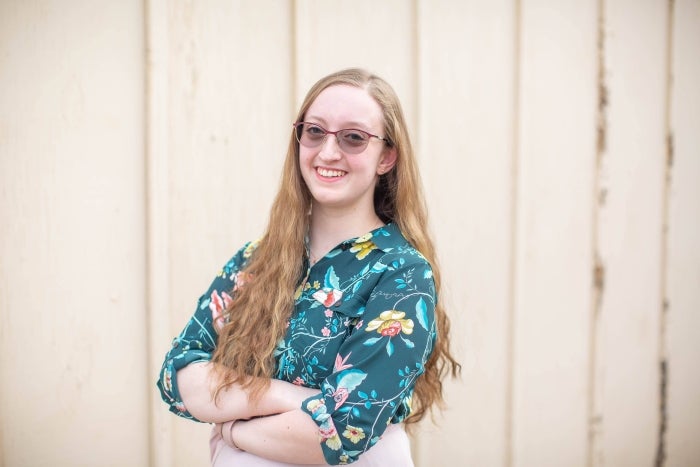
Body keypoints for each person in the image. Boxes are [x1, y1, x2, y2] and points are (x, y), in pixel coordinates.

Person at [157, 68, 460, 466]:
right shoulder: (256, 259)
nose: (328, 152)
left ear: (386, 157)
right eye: (314, 131)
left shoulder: (401, 274)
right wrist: (282, 396)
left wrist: (232, 429)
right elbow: (179, 374)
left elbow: (341, 431)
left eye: (354, 137)